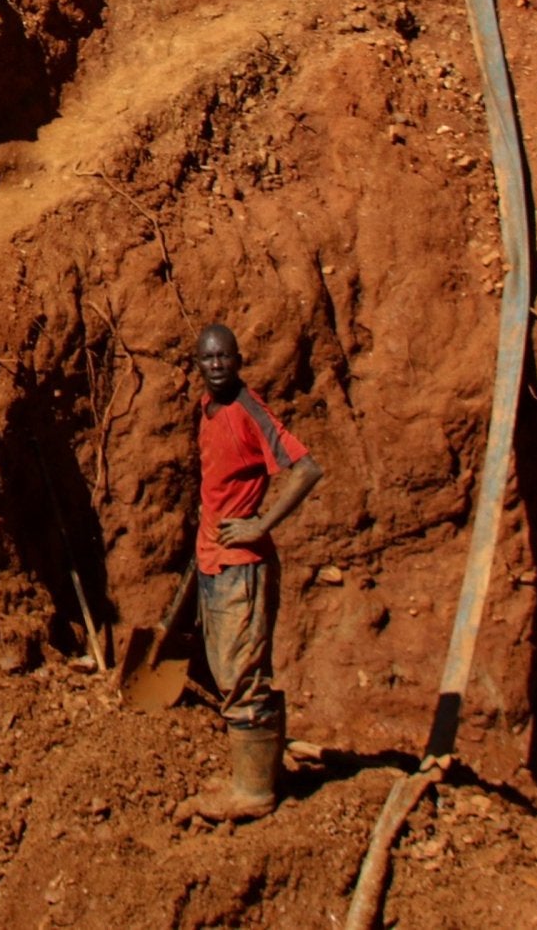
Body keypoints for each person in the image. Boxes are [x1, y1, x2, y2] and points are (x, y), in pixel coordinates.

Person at [176, 322, 323, 824]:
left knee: (241, 675)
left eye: (224, 357)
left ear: (239, 360)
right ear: (197, 364)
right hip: (215, 562)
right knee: (228, 669)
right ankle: (261, 771)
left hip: (243, 568)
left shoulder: (247, 410)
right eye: (207, 358)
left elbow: (306, 469)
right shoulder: (208, 407)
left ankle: (254, 791)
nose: (216, 365)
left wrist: (260, 524)